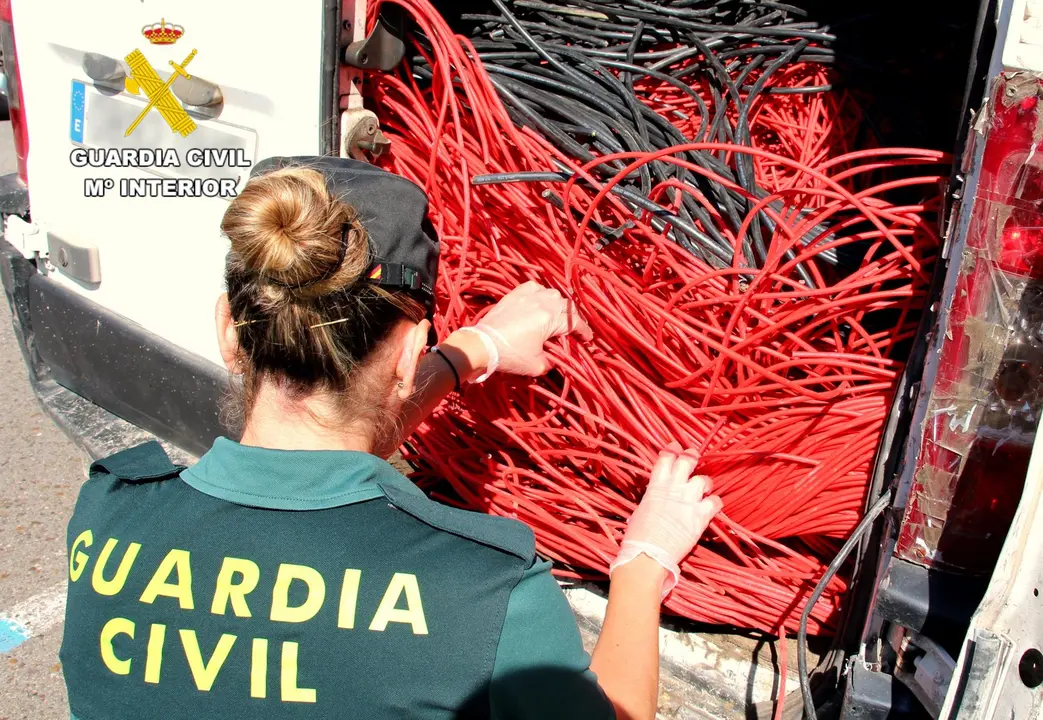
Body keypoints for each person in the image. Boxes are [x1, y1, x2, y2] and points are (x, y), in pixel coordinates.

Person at [60, 156, 722, 720]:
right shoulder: (487, 595)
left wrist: (471, 352)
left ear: (229, 331)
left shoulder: (108, 516)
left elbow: (316, 458)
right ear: (407, 354)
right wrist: (643, 563)